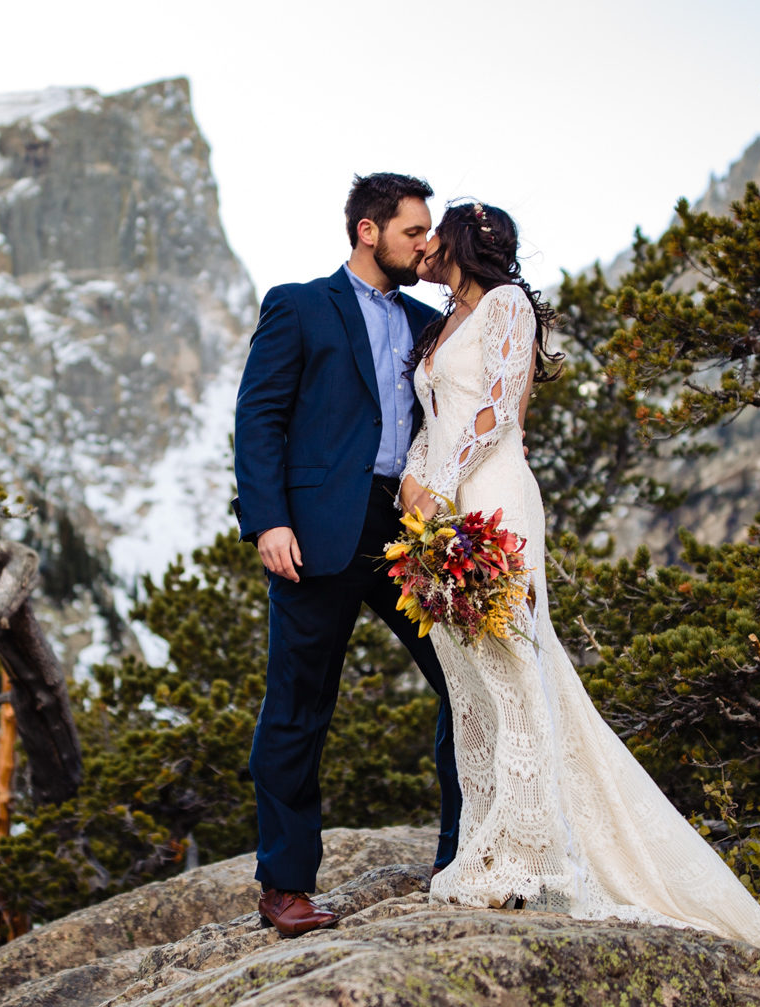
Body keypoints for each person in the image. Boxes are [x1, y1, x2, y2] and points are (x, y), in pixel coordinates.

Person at [395, 199, 760, 982]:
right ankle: (489, 840)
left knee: (518, 666)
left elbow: (495, 410)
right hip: (441, 505)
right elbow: (438, 410)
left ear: (461, 242)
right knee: (470, 680)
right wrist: (415, 484)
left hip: (493, 497)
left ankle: (532, 851)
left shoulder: (508, 305)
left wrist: (447, 484)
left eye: (436, 235)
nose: (425, 247)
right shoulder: (441, 323)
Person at [232, 173, 465, 938]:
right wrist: (268, 521)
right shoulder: (298, 304)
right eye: (413, 231)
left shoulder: (432, 321)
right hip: (316, 531)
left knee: (464, 683)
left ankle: (462, 856)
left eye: (429, 232)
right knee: (299, 707)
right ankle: (286, 885)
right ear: (368, 231)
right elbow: (259, 417)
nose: (425, 243)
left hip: (410, 530)